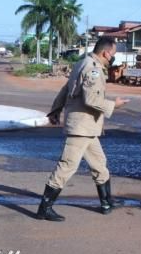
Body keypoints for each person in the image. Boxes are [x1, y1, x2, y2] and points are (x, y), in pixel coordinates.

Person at [37, 36, 129, 221]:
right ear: (106, 53)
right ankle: (44, 208)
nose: (113, 59)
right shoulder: (92, 68)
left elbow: (65, 89)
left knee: (99, 163)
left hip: (88, 128)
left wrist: (55, 110)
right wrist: (114, 105)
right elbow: (91, 100)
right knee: (67, 166)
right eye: (113, 55)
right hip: (81, 127)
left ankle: (107, 202)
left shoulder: (81, 63)